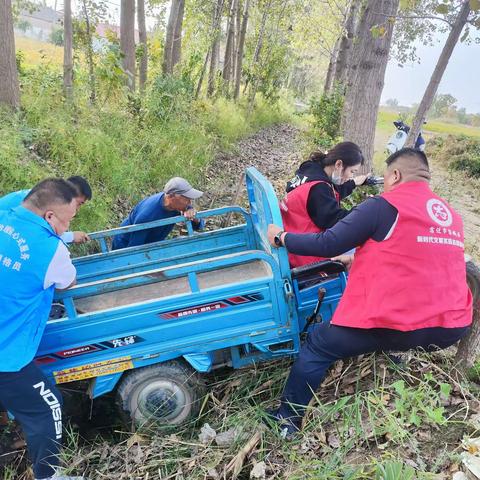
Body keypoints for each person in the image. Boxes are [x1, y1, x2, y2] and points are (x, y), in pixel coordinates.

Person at [267, 148, 473, 437]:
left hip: (401, 325)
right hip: (451, 328)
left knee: (317, 344)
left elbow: (329, 243)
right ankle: (395, 352)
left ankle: (286, 421)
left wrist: (281, 237)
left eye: (387, 178)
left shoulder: (381, 206)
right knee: (397, 323)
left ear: (395, 175)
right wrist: (357, 258)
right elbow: (415, 255)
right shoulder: (451, 215)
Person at [0, 179, 83, 480]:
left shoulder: (5, 215)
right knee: (47, 407)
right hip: (6, 356)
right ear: (49, 216)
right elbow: (68, 282)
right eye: (66, 222)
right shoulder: (50, 250)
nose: (65, 230)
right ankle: (49, 476)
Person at [281, 142, 368, 267]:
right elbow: (334, 221)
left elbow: (326, 197)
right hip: (304, 254)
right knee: (360, 251)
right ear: (338, 164)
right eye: (352, 171)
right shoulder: (319, 188)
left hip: (292, 235)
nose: (351, 176)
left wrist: (353, 183)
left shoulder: (310, 171)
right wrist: (365, 211)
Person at [112, 177, 204, 250]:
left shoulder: (177, 206)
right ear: (171, 196)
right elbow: (134, 249)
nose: (189, 202)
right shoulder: (147, 215)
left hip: (152, 243)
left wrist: (193, 214)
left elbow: (199, 226)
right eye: (186, 198)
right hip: (126, 244)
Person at [0, 175, 93, 244]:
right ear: (70, 195)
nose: (77, 209)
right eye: (79, 203)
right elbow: (33, 236)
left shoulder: (39, 196)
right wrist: (70, 237)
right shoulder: (39, 204)